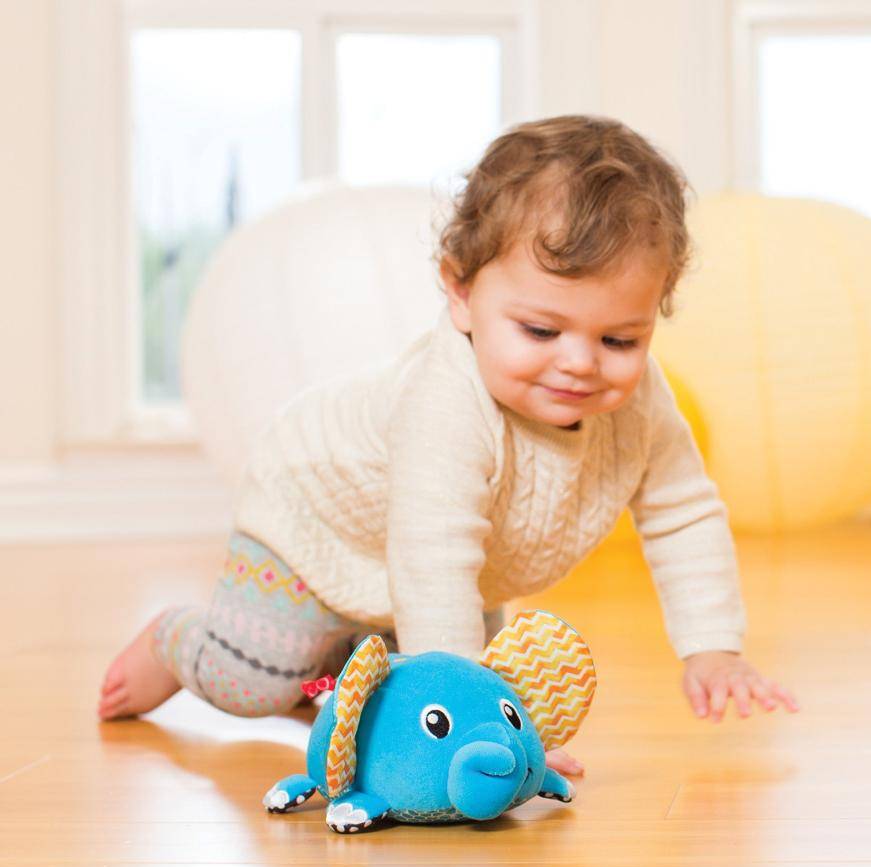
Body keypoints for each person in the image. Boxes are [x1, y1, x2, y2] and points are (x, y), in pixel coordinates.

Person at [98, 114, 799, 776]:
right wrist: (472, 727)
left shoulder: (641, 403)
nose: (580, 363)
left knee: (407, 694)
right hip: (312, 525)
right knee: (254, 681)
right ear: (460, 291)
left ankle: (342, 689)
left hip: (451, 565)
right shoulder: (446, 406)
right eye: (541, 331)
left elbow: (683, 512)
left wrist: (712, 647)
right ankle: (175, 641)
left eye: (619, 339)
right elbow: (432, 554)